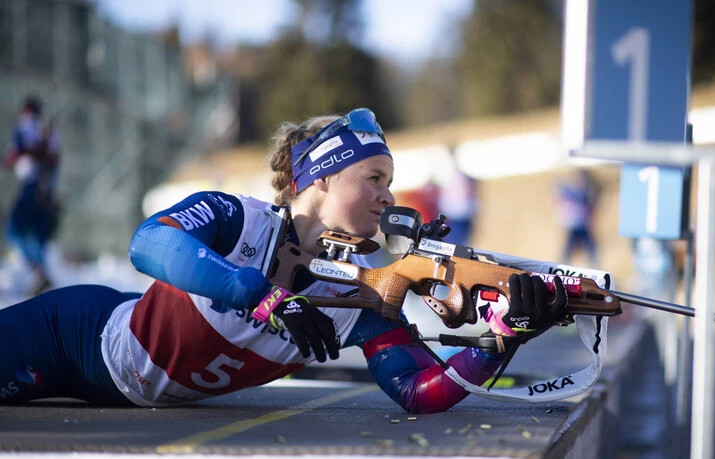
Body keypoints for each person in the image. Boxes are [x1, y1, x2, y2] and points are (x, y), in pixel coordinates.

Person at [0, 108, 566, 412]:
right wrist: (267, 298)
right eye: (374, 178)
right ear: (321, 176)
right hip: (76, 338)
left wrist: (499, 340)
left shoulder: (366, 293)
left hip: (131, 395)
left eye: (389, 183)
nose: (388, 197)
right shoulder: (237, 218)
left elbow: (421, 393)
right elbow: (148, 243)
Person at [3, 96, 61, 293]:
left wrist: (33, 151)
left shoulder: (43, 132)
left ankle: (39, 272)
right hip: (31, 186)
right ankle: (39, 273)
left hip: (37, 188)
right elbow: (14, 156)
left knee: (17, 228)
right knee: (25, 232)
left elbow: (49, 158)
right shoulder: (28, 132)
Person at [556, 169, 599, 266]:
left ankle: (595, 268)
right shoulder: (571, 192)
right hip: (573, 227)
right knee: (567, 252)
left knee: (592, 251)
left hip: (584, 227)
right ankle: (559, 269)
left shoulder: (586, 193)